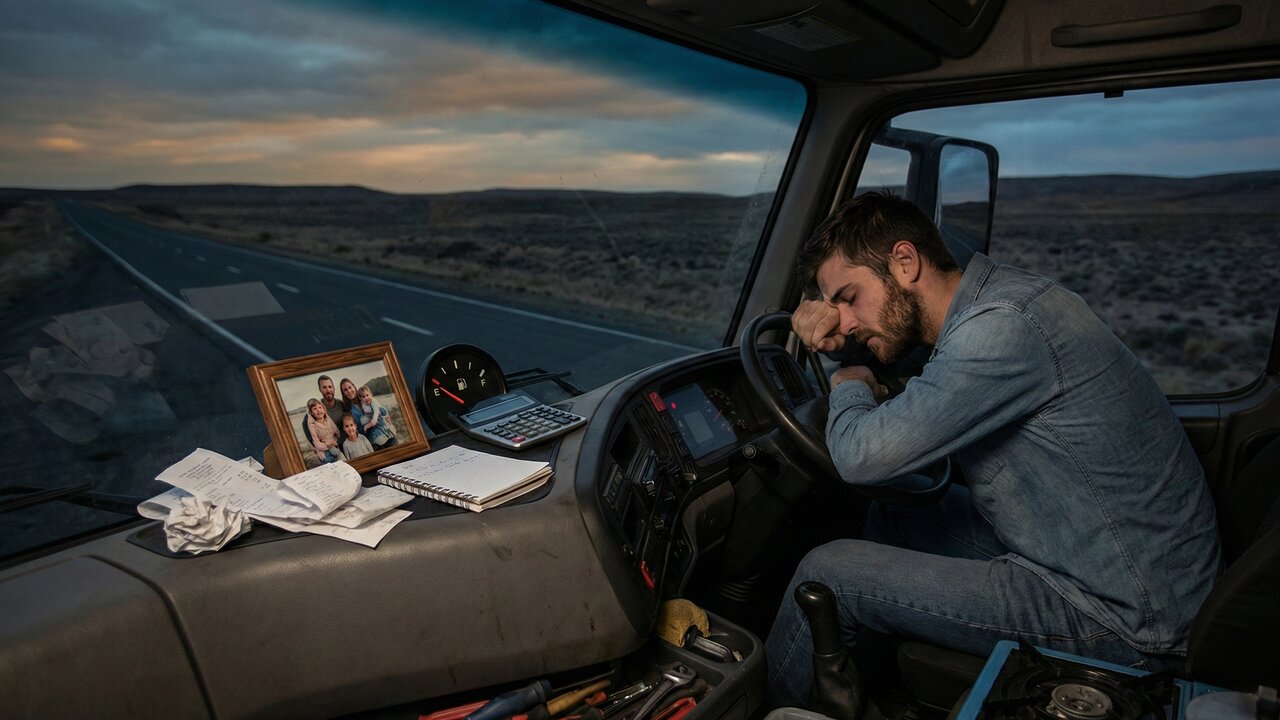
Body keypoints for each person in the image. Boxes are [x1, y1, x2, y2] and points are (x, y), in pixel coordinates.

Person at [765, 192, 1221, 708]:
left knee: (826, 573)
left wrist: (845, 376)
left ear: (905, 262)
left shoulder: (1001, 328)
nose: (844, 321)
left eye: (849, 298)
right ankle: (872, 679)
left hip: (1126, 618)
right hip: (1096, 560)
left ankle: (771, 710)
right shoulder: (1003, 300)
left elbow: (859, 457)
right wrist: (852, 349)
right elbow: (916, 391)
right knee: (895, 514)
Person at [353, 385, 397, 450]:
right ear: (360, 398)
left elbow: (376, 411)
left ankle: (386, 435)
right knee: (362, 419)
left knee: (384, 426)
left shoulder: (373, 401)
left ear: (371, 394)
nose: (366, 398)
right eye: (363, 397)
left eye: (367, 395)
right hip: (371, 419)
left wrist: (373, 420)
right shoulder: (363, 404)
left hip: (377, 417)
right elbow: (365, 414)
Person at [304, 398, 342, 464]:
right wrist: (328, 444)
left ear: (324, 409)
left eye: (320, 407)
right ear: (311, 413)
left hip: (334, 447)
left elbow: (336, 432)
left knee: (341, 458)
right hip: (324, 452)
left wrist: (334, 441)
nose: (318, 410)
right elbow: (317, 444)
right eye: (315, 409)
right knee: (331, 461)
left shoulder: (328, 420)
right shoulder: (312, 425)